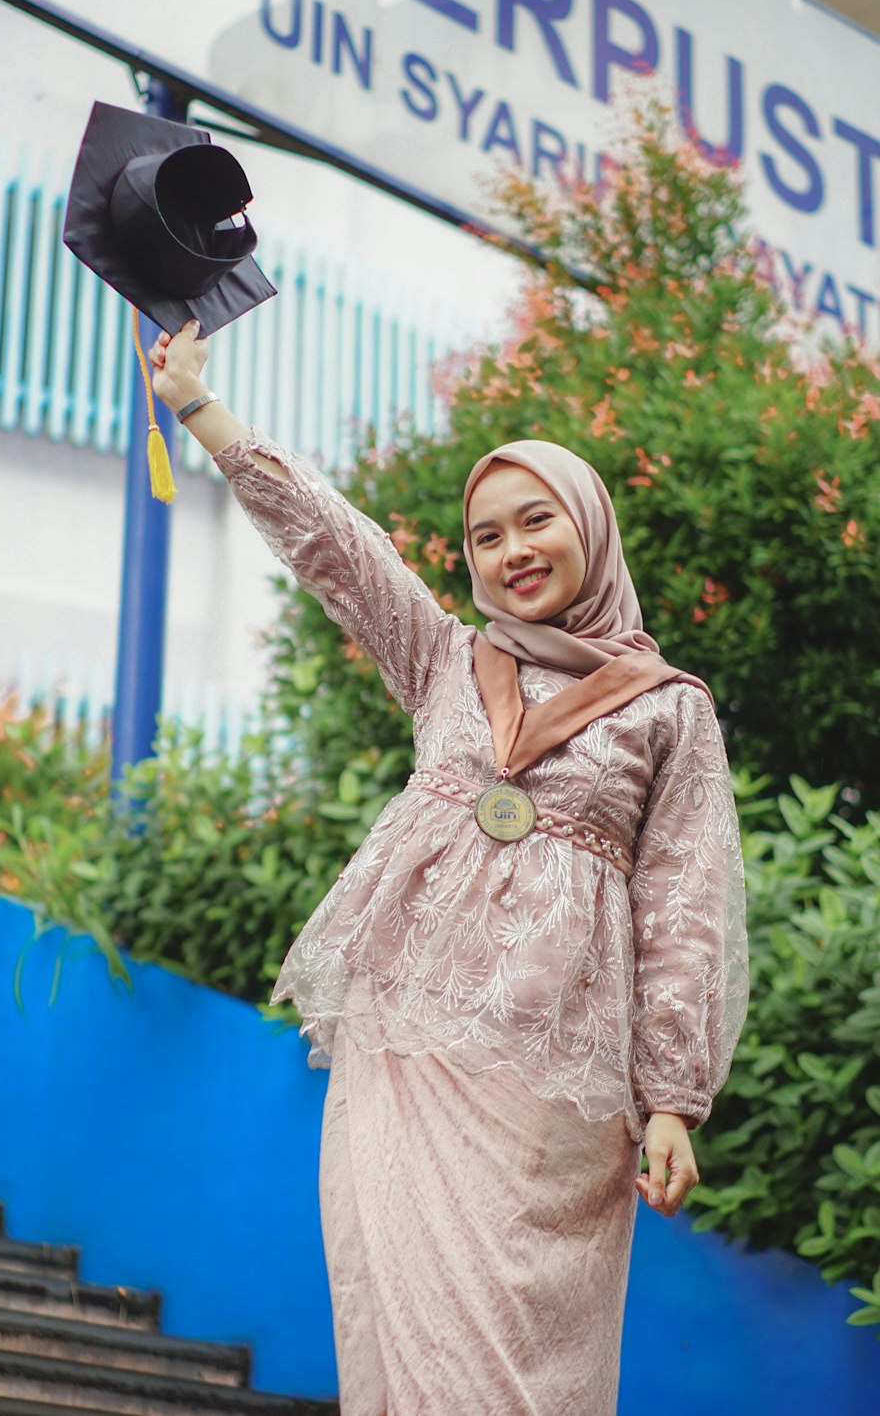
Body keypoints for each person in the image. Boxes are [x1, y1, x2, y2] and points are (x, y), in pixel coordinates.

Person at [149, 321, 748, 1416]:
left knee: (512, 1353)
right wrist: (200, 407)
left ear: (589, 530)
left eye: (535, 520)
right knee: (401, 1322)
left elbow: (685, 909)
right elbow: (336, 545)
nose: (511, 550)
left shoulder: (670, 709)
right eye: (485, 536)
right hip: (407, 1045)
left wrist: (671, 1101)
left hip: (553, 1084)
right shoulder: (442, 661)